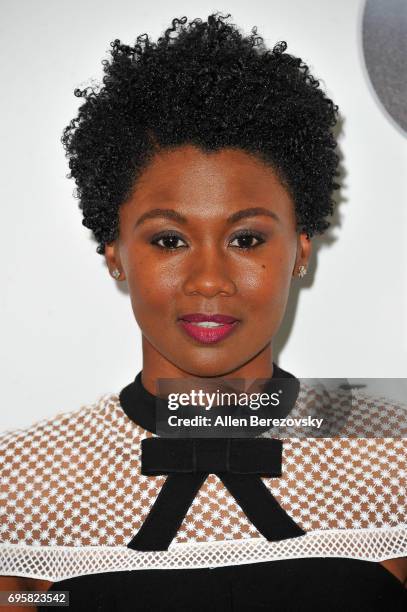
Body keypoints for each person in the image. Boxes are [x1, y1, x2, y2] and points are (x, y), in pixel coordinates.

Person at [0, 13, 406, 611]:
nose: (210, 280)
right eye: (169, 240)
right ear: (115, 254)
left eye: (246, 240)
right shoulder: (22, 481)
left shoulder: (393, 460)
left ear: (298, 252)